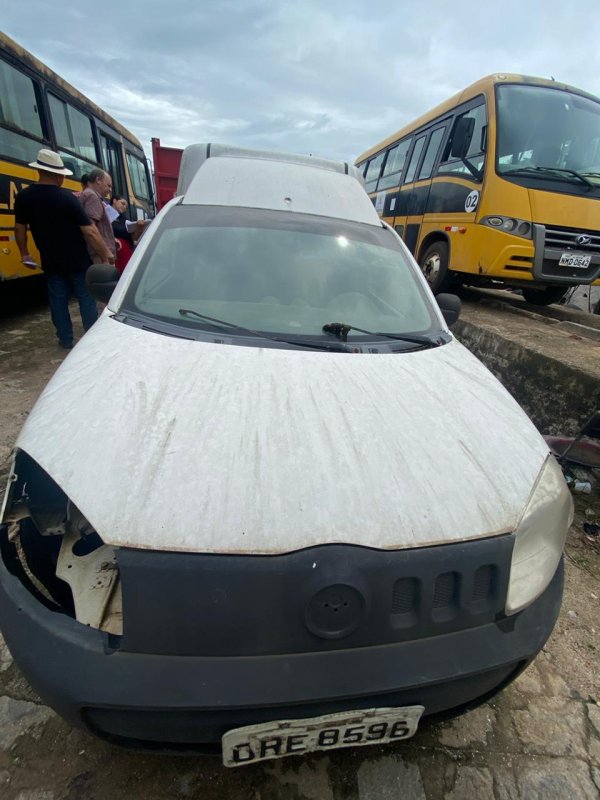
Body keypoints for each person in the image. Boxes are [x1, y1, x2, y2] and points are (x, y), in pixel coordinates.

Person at [14, 148, 114, 350]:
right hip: (78, 260)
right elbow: (90, 231)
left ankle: (65, 339)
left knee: (58, 301)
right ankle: (90, 339)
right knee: (86, 299)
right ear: (58, 175)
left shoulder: (24, 197)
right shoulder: (67, 198)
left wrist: (25, 253)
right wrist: (106, 254)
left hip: (50, 260)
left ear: (39, 171)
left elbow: (19, 229)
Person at [79, 168, 119, 264]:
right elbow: (91, 230)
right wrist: (106, 254)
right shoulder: (92, 196)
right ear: (98, 180)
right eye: (108, 185)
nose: (110, 190)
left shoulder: (87, 194)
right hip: (99, 257)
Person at [110, 195, 147, 272]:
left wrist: (139, 228)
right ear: (114, 201)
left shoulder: (124, 219)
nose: (124, 207)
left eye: (126, 207)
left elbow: (133, 238)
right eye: (122, 203)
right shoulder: (106, 215)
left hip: (125, 252)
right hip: (114, 253)